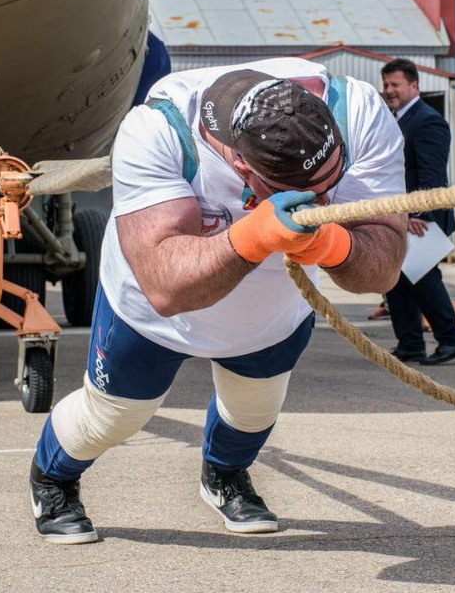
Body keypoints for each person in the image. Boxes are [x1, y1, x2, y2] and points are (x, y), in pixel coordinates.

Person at [29, 57, 407, 544]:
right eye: (306, 191)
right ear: (240, 164)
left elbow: (384, 265)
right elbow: (166, 287)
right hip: (153, 317)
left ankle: (224, 477)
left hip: (272, 313)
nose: (323, 200)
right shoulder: (158, 131)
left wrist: (331, 243)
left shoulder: (357, 111)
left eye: (332, 183)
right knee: (113, 416)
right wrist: (253, 236)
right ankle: (52, 480)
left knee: (253, 413)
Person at [380, 58, 455, 365]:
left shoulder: (427, 120)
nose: (389, 90)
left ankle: (452, 339)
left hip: (421, 217)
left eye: (396, 85)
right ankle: (410, 344)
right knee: (396, 281)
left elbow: (432, 175)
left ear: (414, 86)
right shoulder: (395, 118)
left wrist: (419, 214)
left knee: (424, 279)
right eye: (386, 85)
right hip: (400, 215)